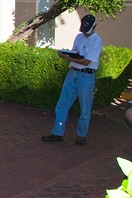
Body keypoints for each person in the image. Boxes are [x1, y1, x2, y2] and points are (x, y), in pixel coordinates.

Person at [42, 14, 103, 145]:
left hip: (86, 76)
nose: (84, 33)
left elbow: (86, 61)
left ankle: (81, 135)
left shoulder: (96, 41)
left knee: (85, 107)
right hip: (73, 73)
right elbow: (76, 52)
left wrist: (67, 57)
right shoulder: (79, 37)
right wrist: (69, 54)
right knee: (62, 104)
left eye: (87, 30)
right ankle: (57, 133)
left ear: (94, 27)